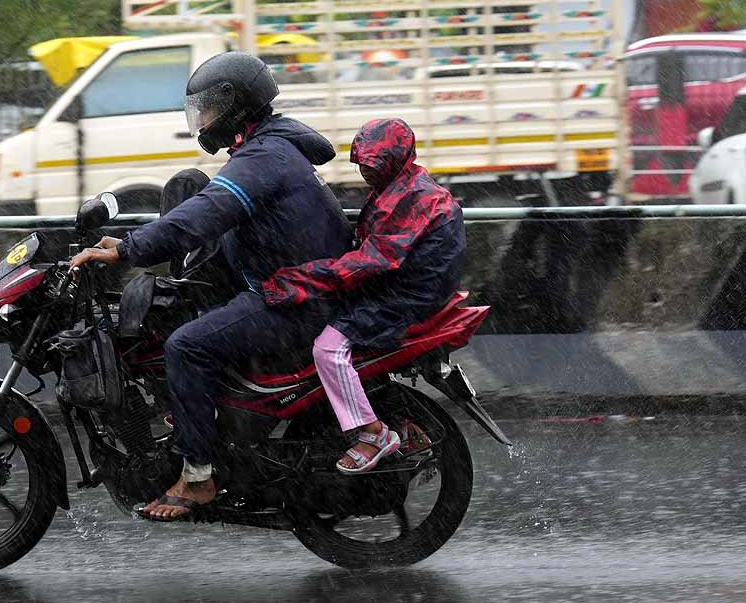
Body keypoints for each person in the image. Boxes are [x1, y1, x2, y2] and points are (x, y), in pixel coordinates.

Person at [69, 52, 352, 520]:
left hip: (295, 299)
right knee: (187, 186)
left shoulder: (264, 158)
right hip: (289, 282)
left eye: (210, 108)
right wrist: (134, 242)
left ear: (237, 106)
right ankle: (201, 418)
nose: (202, 119)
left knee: (186, 347)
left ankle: (197, 476)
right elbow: (202, 205)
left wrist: (126, 250)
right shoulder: (269, 147)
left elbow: (207, 213)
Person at [261, 118, 465, 474]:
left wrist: (299, 280)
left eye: (374, 165)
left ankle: (373, 434)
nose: (366, 172)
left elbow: (371, 262)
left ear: (394, 159)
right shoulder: (400, 186)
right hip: (401, 286)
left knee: (328, 349)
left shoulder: (411, 197)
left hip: (404, 298)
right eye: (363, 165)